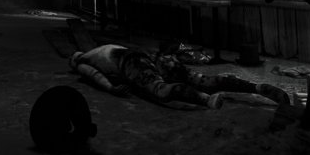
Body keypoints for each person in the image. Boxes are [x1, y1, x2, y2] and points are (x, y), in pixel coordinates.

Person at [70, 44, 290, 109]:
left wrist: (110, 88)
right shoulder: (103, 48)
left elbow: (93, 74)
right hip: (151, 55)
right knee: (201, 79)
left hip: (131, 63)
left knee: (161, 90)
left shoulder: (83, 62)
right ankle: (257, 88)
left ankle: (206, 100)